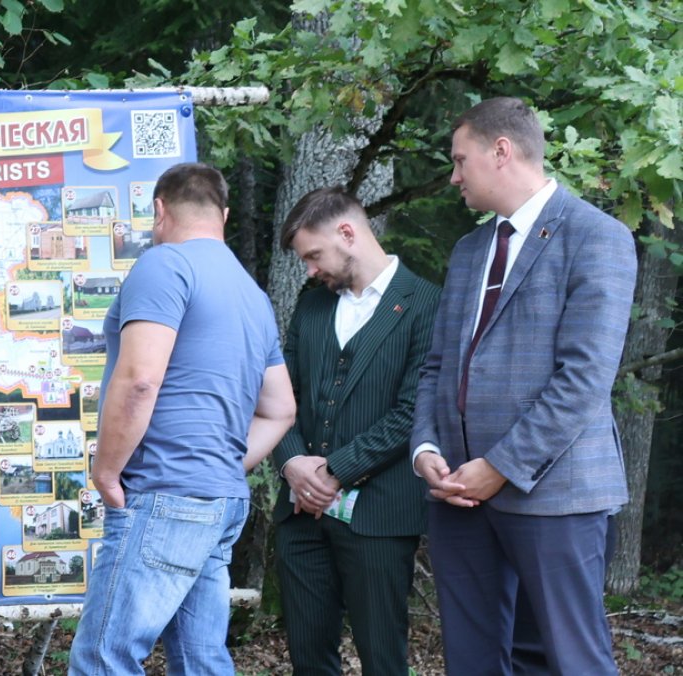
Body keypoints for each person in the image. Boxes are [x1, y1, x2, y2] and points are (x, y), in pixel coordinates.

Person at [410, 96, 637, 674]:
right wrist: (426, 448)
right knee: (473, 662)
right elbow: (437, 367)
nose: (454, 176)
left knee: (570, 662)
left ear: (501, 151)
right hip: (458, 495)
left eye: (460, 160)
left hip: (556, 494)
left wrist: (500, 467)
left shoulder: (597, 236)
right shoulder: (468, 252)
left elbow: (583, 379)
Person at [68, 162, 296, 675]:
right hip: (220, 500)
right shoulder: (252, 295)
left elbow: (140, 380)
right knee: (200, 660)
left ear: (159, 209)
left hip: (162, 491)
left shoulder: (164, 265)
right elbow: (281, 408)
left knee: (103, 657)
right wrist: (221, 465)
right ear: (224, 215)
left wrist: (106, 471)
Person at [272, 187, 440, 675]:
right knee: (308, 660)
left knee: (382, 659)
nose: (309, 270)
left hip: (380, 516)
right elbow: (281, 396)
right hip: (301, 515)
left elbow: (413, 410)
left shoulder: (427, 303)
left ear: (347, 233)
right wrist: (292, 463)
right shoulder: (312, 305)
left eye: (313, 255)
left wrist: (334, 472)